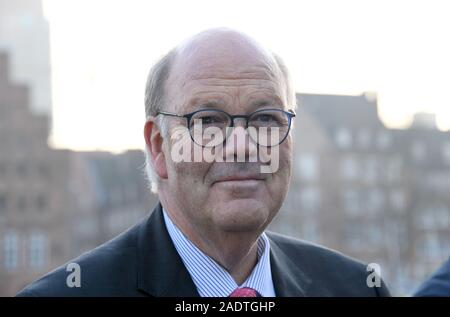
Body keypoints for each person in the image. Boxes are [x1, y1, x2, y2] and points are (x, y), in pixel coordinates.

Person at [17, 28, 390, 297]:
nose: (243, 146)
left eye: (265, 119)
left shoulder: (356, 289)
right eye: (209, 121)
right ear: (159, 146)